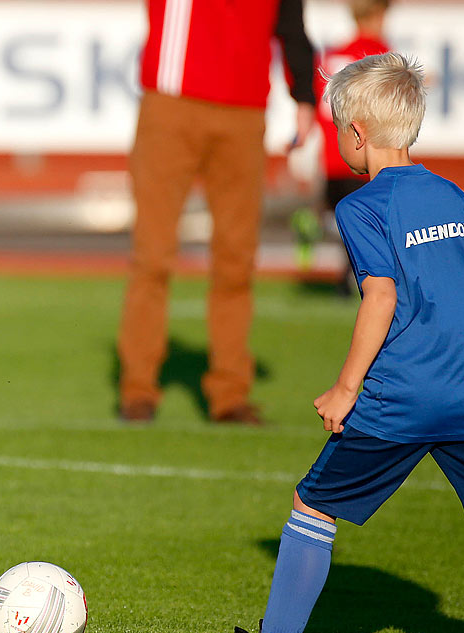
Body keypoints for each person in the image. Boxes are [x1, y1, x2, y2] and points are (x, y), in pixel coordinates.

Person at [196, 52, 464, 633]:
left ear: (355, 136)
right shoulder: (455, 196)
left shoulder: (361, 207)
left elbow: (382, 294)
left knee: (311, 505)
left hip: (400, 399)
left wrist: (346, 388)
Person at [117, 0, 316, 425]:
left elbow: (291, 22)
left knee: (236, 259)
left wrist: (303, 95)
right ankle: (138, 388)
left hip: (243, 111)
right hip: (172, 102)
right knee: (152, 254)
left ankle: (229, 393)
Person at [297, 0, 392, 294]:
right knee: (371, 223)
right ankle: (348, 282)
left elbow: (318, 101)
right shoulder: (380, 54)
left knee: (344, 214)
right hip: (365, 152)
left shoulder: (333, 55)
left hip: (333, 152)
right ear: (377, 15)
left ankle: (311, 224)